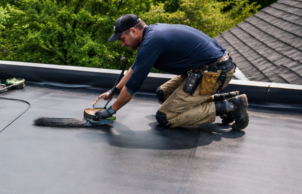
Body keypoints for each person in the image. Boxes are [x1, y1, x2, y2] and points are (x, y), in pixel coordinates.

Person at [95, 14, 249, 130]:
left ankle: (230, 106)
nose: (122, 44)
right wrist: (114, 90)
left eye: (122, 39)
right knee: (163, 93)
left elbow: (132, 88)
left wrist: (110, 111)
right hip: (205, 69)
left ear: (133, 31)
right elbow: (134, 68)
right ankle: (225, 99)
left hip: (215, 73)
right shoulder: (152, 34)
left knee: (165, 117)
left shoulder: (151, 43)